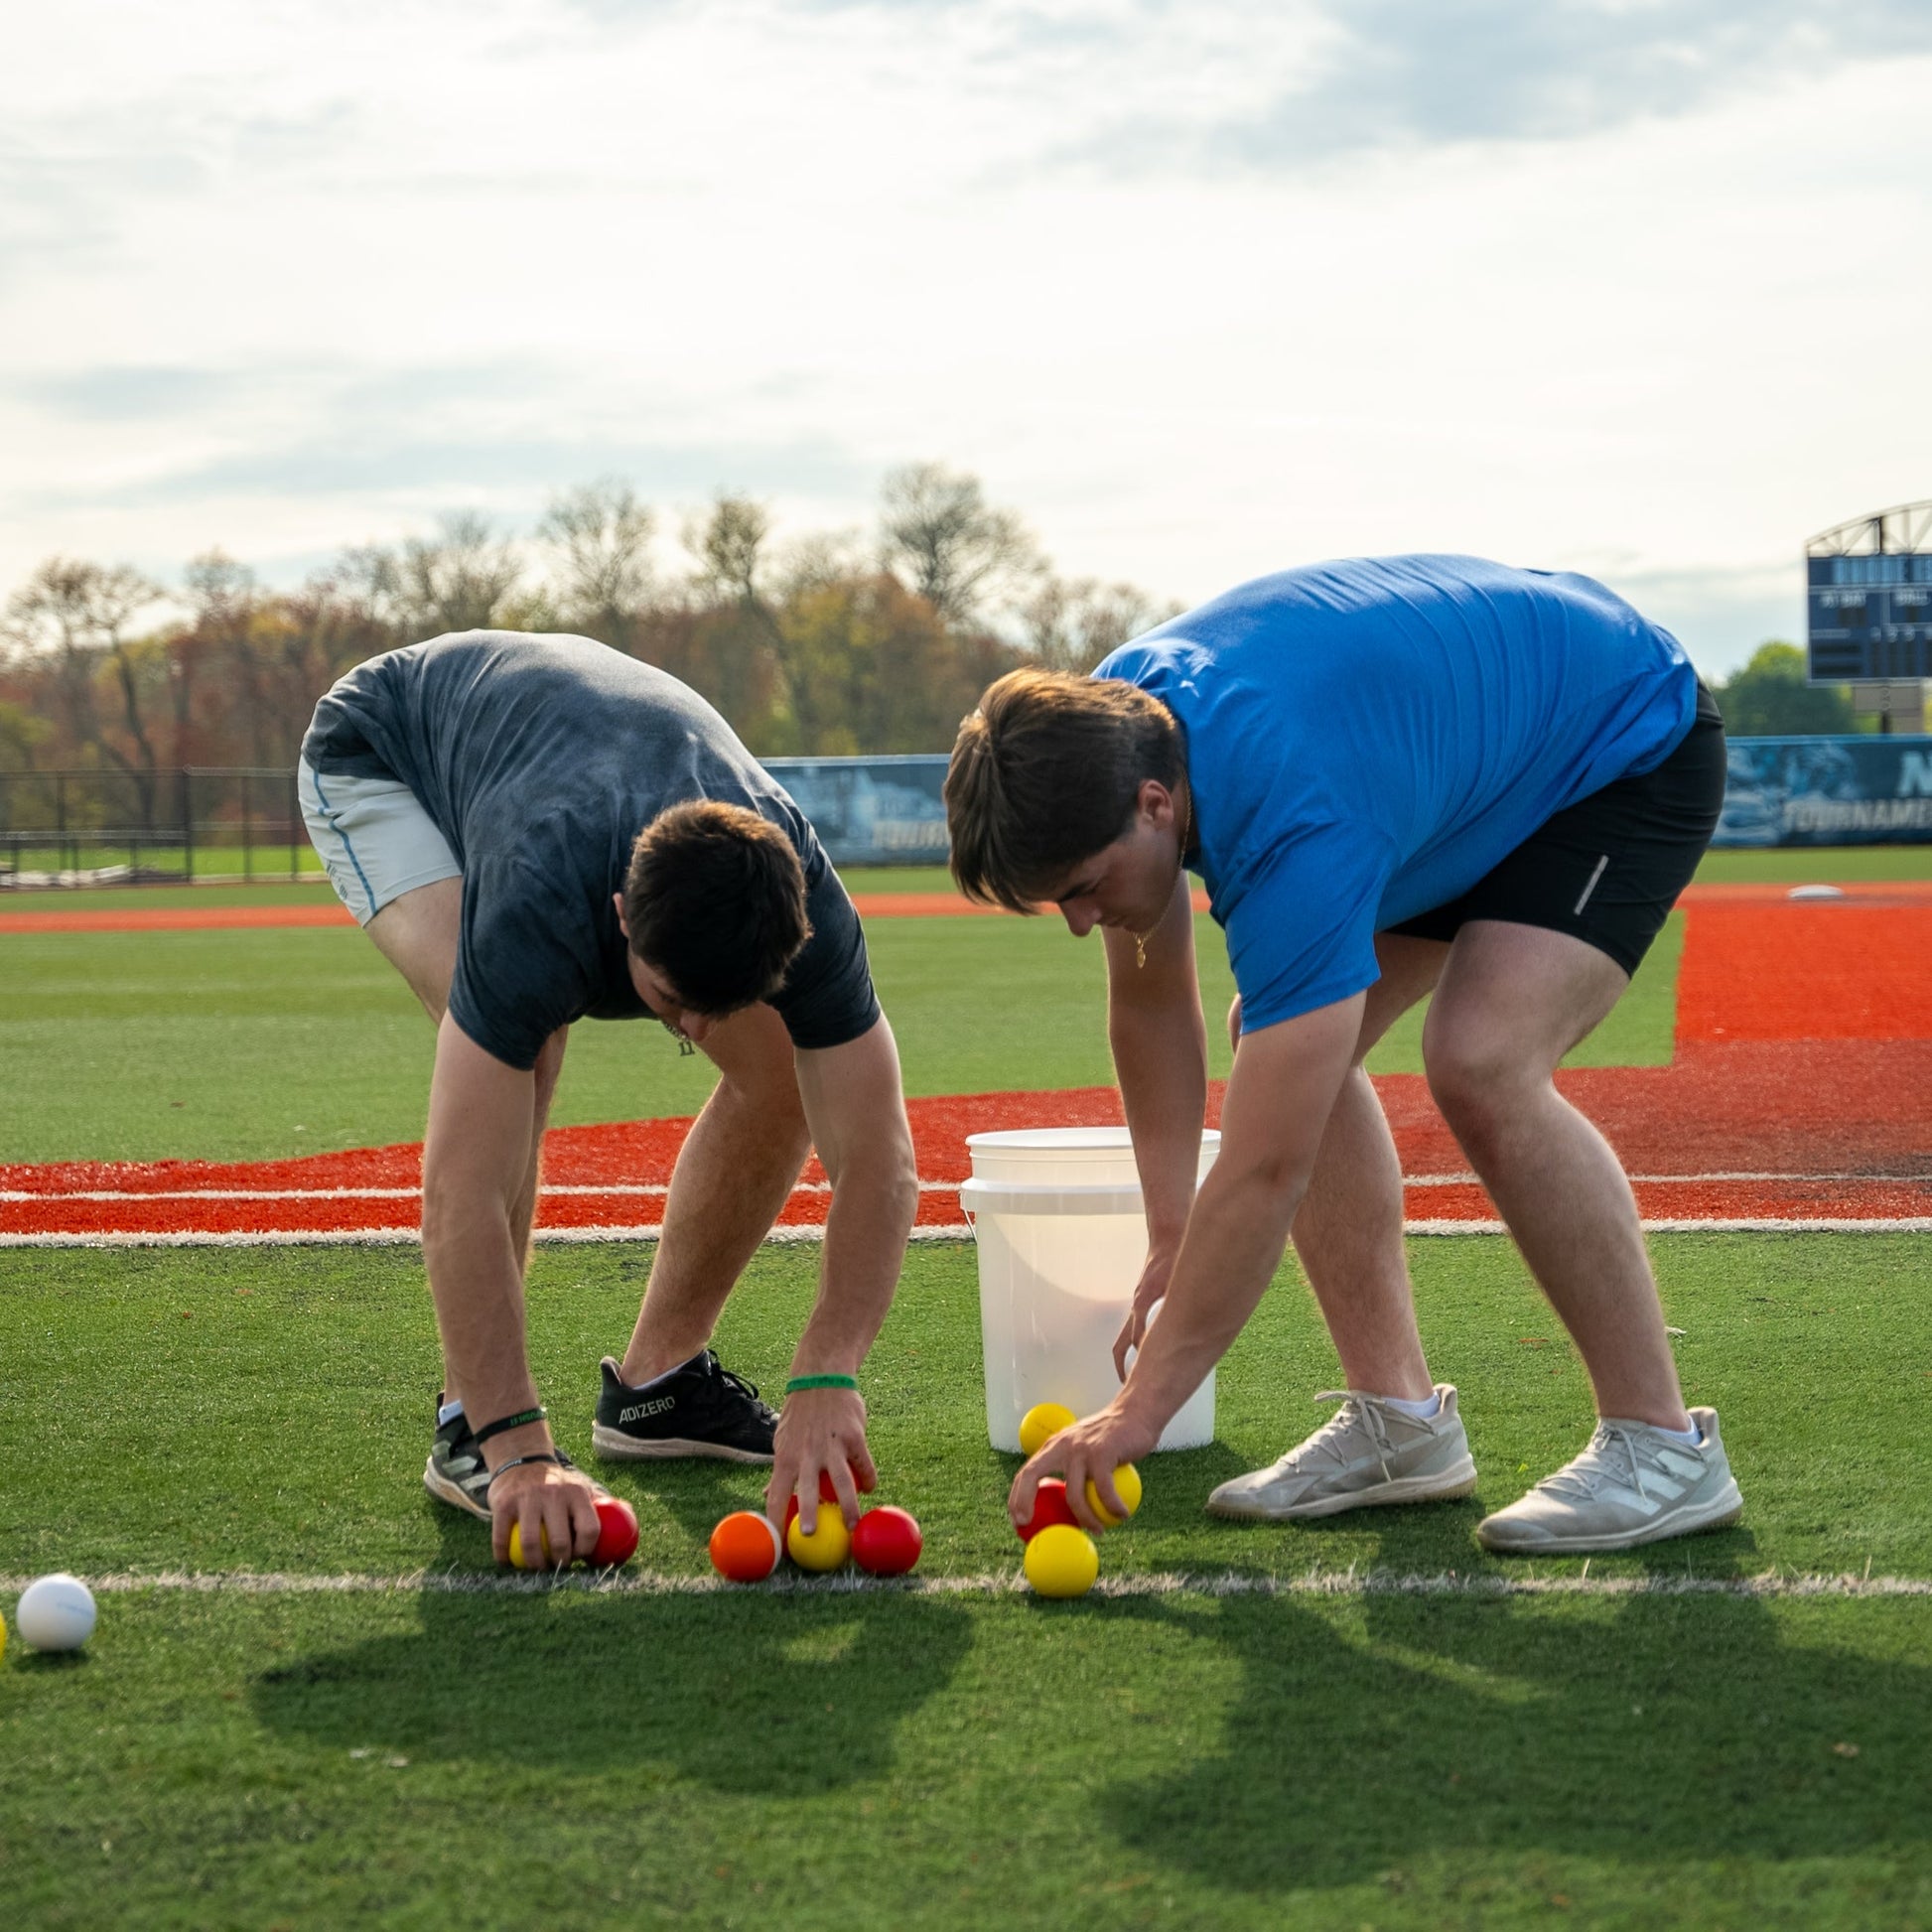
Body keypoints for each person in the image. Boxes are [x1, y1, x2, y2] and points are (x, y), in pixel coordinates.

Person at [945, 555, 1741, 1556]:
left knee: (1479, 1058)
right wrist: (1166, 1229)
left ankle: (1662, 1445)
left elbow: (1268, 1166)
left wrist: (1137, 1412)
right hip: (1447, 767)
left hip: (1611, 741)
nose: (1077, 921)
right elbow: (1148, 1007)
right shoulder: (1109, 738)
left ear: (1154, 804)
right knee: (1273, 1038)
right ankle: (1398, 1424)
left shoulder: (1289, 819)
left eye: (1084, 886)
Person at [300, 630, 918, 1568]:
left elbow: (881, 1156)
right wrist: (520, 1447)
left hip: (569, 757)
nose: (696, 1033)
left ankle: (658, 1386)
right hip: (389, 755)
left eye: (724, 1005)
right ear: (624, 915)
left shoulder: (805, 896)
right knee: (526, 1049)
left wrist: (829, 1369)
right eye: (676, 1003)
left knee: (783, 1069)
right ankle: (469, 1426)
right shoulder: (539, 897)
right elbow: (456, 1192)